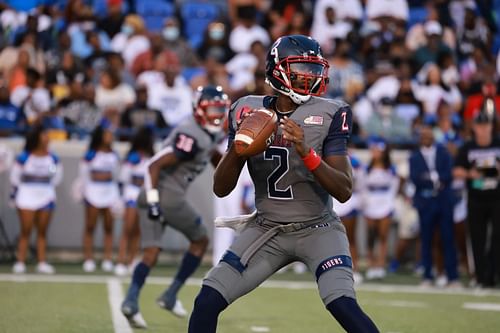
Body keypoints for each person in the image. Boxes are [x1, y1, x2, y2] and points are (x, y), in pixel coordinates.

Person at [188, 35, 379, 333]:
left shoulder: (330, 113)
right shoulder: (245, 110)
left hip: (319, 229)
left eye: (315, 69)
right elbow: (221, 188)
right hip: (267, 230)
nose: (312, 76)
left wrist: (306, 151)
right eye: (303, 68)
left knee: (343, 305)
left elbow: (343, 190)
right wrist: (239, 147)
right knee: (206, 301)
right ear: (278, 71)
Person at [120, 86, 230, 329]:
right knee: (200, 241)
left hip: (155, 195)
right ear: (200, 109)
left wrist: (228, 168)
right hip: (166, 195)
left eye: (221, 110)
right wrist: (153, 201)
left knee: (151, 252)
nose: (217, 115)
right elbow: (153, 165)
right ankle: (170, 295)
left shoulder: (204, 132)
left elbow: (213, 155)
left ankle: (130, 301)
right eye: (213, 109)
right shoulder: (190, 134)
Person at [453, 104, 500, 288]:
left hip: (496, 198)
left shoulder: (497, 143)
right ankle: (480, 277)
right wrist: (470, 174)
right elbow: (456, 170)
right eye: (479, 125)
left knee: (497, 237)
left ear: (491, 126)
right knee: (477, 238)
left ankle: (493, 274)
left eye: (485, 125)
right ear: (474, 127)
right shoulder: (467, 147)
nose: (482, 129)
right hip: (476, 198)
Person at [409, 123, 459, 287]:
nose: (427, 138)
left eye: (429, 135)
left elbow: (448, 175)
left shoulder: (444, 153)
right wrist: (436, 178)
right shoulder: (414, 157)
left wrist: (431, 178)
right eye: (424, 136)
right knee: (426, 240)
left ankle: (452, 277)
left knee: (448, 239)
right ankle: (427, 276)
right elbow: (416, 178)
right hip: (425, 202)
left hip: (444, 201)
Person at [10, 125, 63, 274]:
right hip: (26, 194)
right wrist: (16, 194)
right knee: (25, 230)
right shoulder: (24, 156)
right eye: (44, 135)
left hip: (46, 194)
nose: (47, 138)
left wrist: (46, 186)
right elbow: (15, 177)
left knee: (42, 231)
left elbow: (57, 176)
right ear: (36, 137)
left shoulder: (52, 157)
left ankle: (41, 262)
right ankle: (20, 261)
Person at [79, 120, 121, 273]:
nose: (110, 137)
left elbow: (117, 175)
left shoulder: (114, 155)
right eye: (107, 134)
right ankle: (88, 258)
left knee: (109, 226)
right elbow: (83, 175)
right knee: (90, 226)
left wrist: (117, 196)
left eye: (111, 134)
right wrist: (84, 192)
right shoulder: (90, 154)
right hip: (93, 191)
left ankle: (107, 258)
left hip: (109, 192)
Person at [114, 126, 155, 276]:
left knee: (138, 231)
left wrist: (153, 202)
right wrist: (120, 199)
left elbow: (153, 182)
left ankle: (131, 260)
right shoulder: (133, 158)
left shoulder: (152, 158)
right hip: (131, 195)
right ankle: (120, 261)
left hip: (144, 196)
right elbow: (123, 179)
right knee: (128, 229)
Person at [361, 138, 400, 280]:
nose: (376, 153)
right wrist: (364, 204)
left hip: (385, 203)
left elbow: (394, 187)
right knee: (371, 235)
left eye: (378, 150)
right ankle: (371, 264)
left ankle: (380, 265)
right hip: (370, 204)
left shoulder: (391, 168)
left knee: (383, 236)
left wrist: (391, 204)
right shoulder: (367, 168)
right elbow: (362, 186)